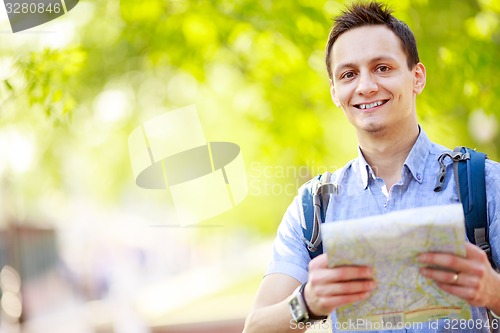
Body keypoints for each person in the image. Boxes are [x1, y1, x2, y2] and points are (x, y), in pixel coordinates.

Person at [242, 1, 500, 333]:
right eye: (349, 74)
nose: (365, 86)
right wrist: (306, 303)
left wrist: (493, 291)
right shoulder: (314, 207)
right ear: (335, 92)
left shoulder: (486, 184)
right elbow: (255, 327)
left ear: (416, 77)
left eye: (382, 68)